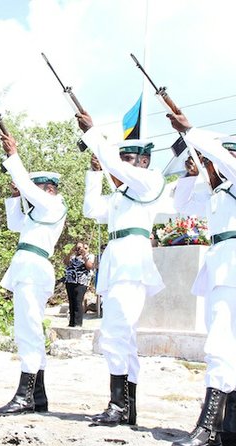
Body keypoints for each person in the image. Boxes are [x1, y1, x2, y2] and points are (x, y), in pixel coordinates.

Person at [167, 110, 236, 446]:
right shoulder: (221, 191)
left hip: (234, 264)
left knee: (222, 344)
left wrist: (193, 132)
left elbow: (226, 160)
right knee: (234, 348)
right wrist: (190, 170)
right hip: (220, 265)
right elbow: (181, 205)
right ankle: (232, 429)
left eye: (232, 160)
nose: (224, 165)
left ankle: (207, 428)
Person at [75, 113, 165, 427]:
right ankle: (126, 408)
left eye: (128, 159)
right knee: (123, 337)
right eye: (121, 158)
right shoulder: (122, 194)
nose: (121, 164)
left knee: (115, 333)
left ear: (143, 162)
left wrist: (94, 135)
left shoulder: (149, 182)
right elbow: (91, 210)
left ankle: (118, 405)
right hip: (116, 265)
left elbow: (116, 165)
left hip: (131, 264)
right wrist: (94, 171)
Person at [0, 132, 67, 416]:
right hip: (28, 266)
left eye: (34, 189)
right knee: (28, 329)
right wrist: (15, 197)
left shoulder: (52, 204)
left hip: (34, 268)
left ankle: (25, 395)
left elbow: (26, 184)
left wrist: (13, 154)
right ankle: (37, 395)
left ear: (47, 189)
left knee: (28, 331)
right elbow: (15, 224)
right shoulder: (40, 213)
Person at [63, 242, 95, 327]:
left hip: (81, 282)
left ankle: (78, 323)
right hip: (70, 281)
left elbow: (89, 266)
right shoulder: (72, 256)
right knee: (71, 302)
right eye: (79, 248)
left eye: (85, 248)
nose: (81, 249)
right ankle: (71, 322)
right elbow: (65, 262)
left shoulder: (89, 256)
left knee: (78, 301)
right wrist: (71, 252)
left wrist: (84, 256)